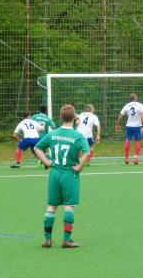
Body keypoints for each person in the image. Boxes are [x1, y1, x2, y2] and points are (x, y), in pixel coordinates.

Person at [34, 103, 90, 248]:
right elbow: (87, 153)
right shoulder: (78, 136)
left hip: (54, 174)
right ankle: (66, 240)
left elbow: (37, 148)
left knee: (51, 207)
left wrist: (47, 161)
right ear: (75, 118)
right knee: (68, 207)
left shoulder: (53, 133)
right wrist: (79, 168)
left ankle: (47, 239)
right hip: (69, 175)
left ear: (60, 117)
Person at [115, 93, 143, 165]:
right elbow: (142, 116)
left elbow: (120, 116)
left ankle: (126, 158)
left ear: (130, 99)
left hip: (129, 126)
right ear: (136, 98)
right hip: (137, 126)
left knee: (128, 140)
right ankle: (135, 157)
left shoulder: (127, 106)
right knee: (138, 141)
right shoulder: (140, 105)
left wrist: (117, 125)